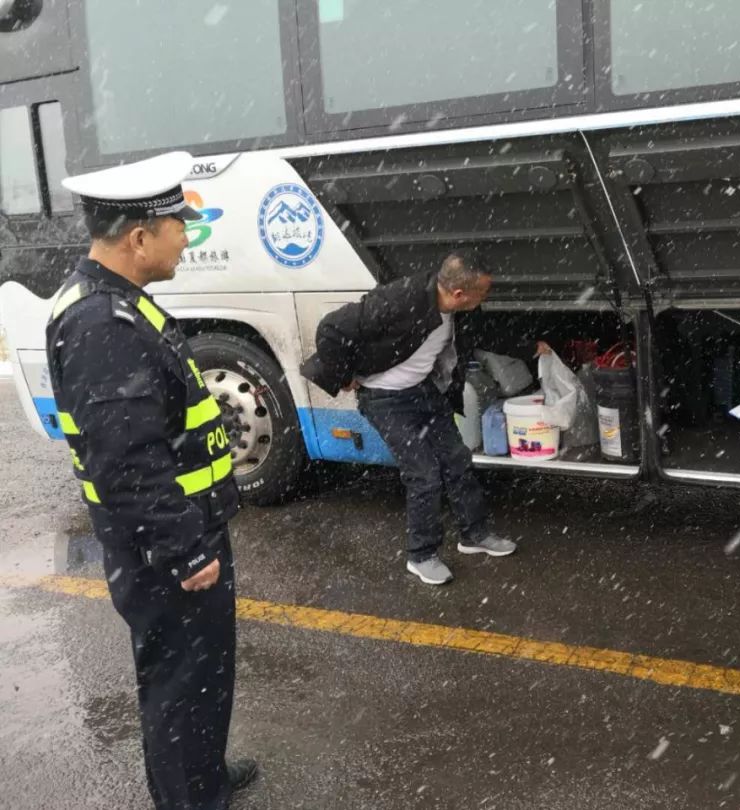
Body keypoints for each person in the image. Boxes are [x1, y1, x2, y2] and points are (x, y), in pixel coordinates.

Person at [46, 151, 257, 809]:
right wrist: (185, 547)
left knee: (200, 676)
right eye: (177, 227)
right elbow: (127, 461)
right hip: (165, 549)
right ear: (139, 238)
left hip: (175, 536)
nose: (186, 239)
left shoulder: (116, 305)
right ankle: (190, 799)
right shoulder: (101, 325)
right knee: (181, 682)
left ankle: (204, 778)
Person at [302, 251, 517, 585]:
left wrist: (533, 347)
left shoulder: (458, 311)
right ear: (460, 294)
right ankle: (421, 555)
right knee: (424, 474)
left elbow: (487, 336)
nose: (485, 298)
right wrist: (343, 375)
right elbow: (330, 329)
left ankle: (473, 535)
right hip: (384, 398)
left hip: (423, 390)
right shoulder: (402, 299)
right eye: (483, 293)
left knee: (457, 459)